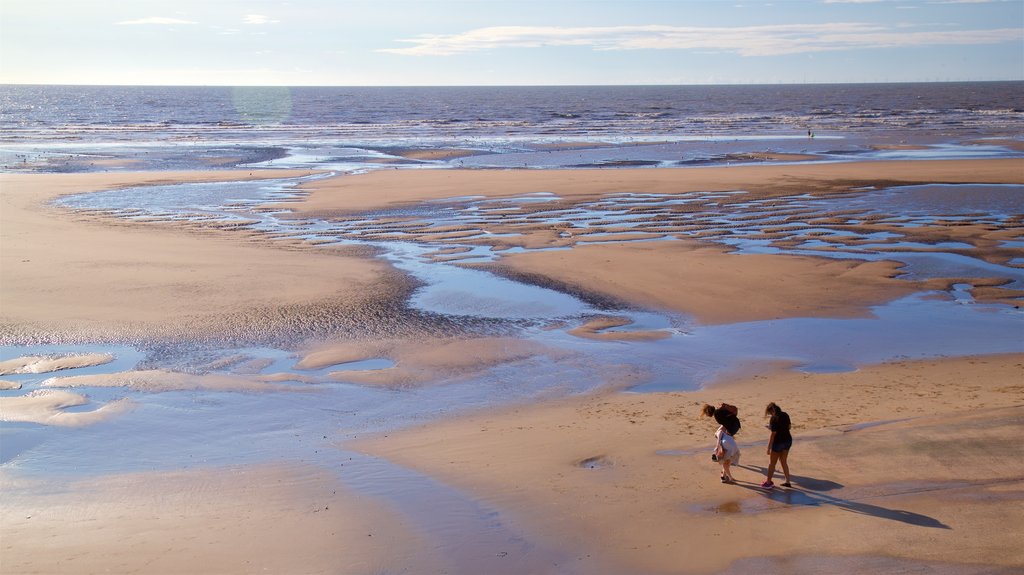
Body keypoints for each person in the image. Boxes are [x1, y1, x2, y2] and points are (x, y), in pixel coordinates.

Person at [701, 403, 742, 483]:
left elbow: (723, 427)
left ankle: (725, 475)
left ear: (708, 412)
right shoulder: (719, 411)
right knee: (727, 456)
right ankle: (723, 474)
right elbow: (734, 412)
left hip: (732, 428)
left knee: (726, 458)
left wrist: (718, 444)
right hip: (735, 426)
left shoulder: (717, 414)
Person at [762, 402, 792, 489]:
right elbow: (789, 427)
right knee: (783, 461)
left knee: (772, 463)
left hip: (778, 442)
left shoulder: (773, 419)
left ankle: (768, 482)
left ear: (772, 411)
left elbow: (773, 434)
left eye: (769, 413)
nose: (770, 414)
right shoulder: (785, 414)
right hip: (788, 440)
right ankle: (787, 481)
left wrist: (769, 447)